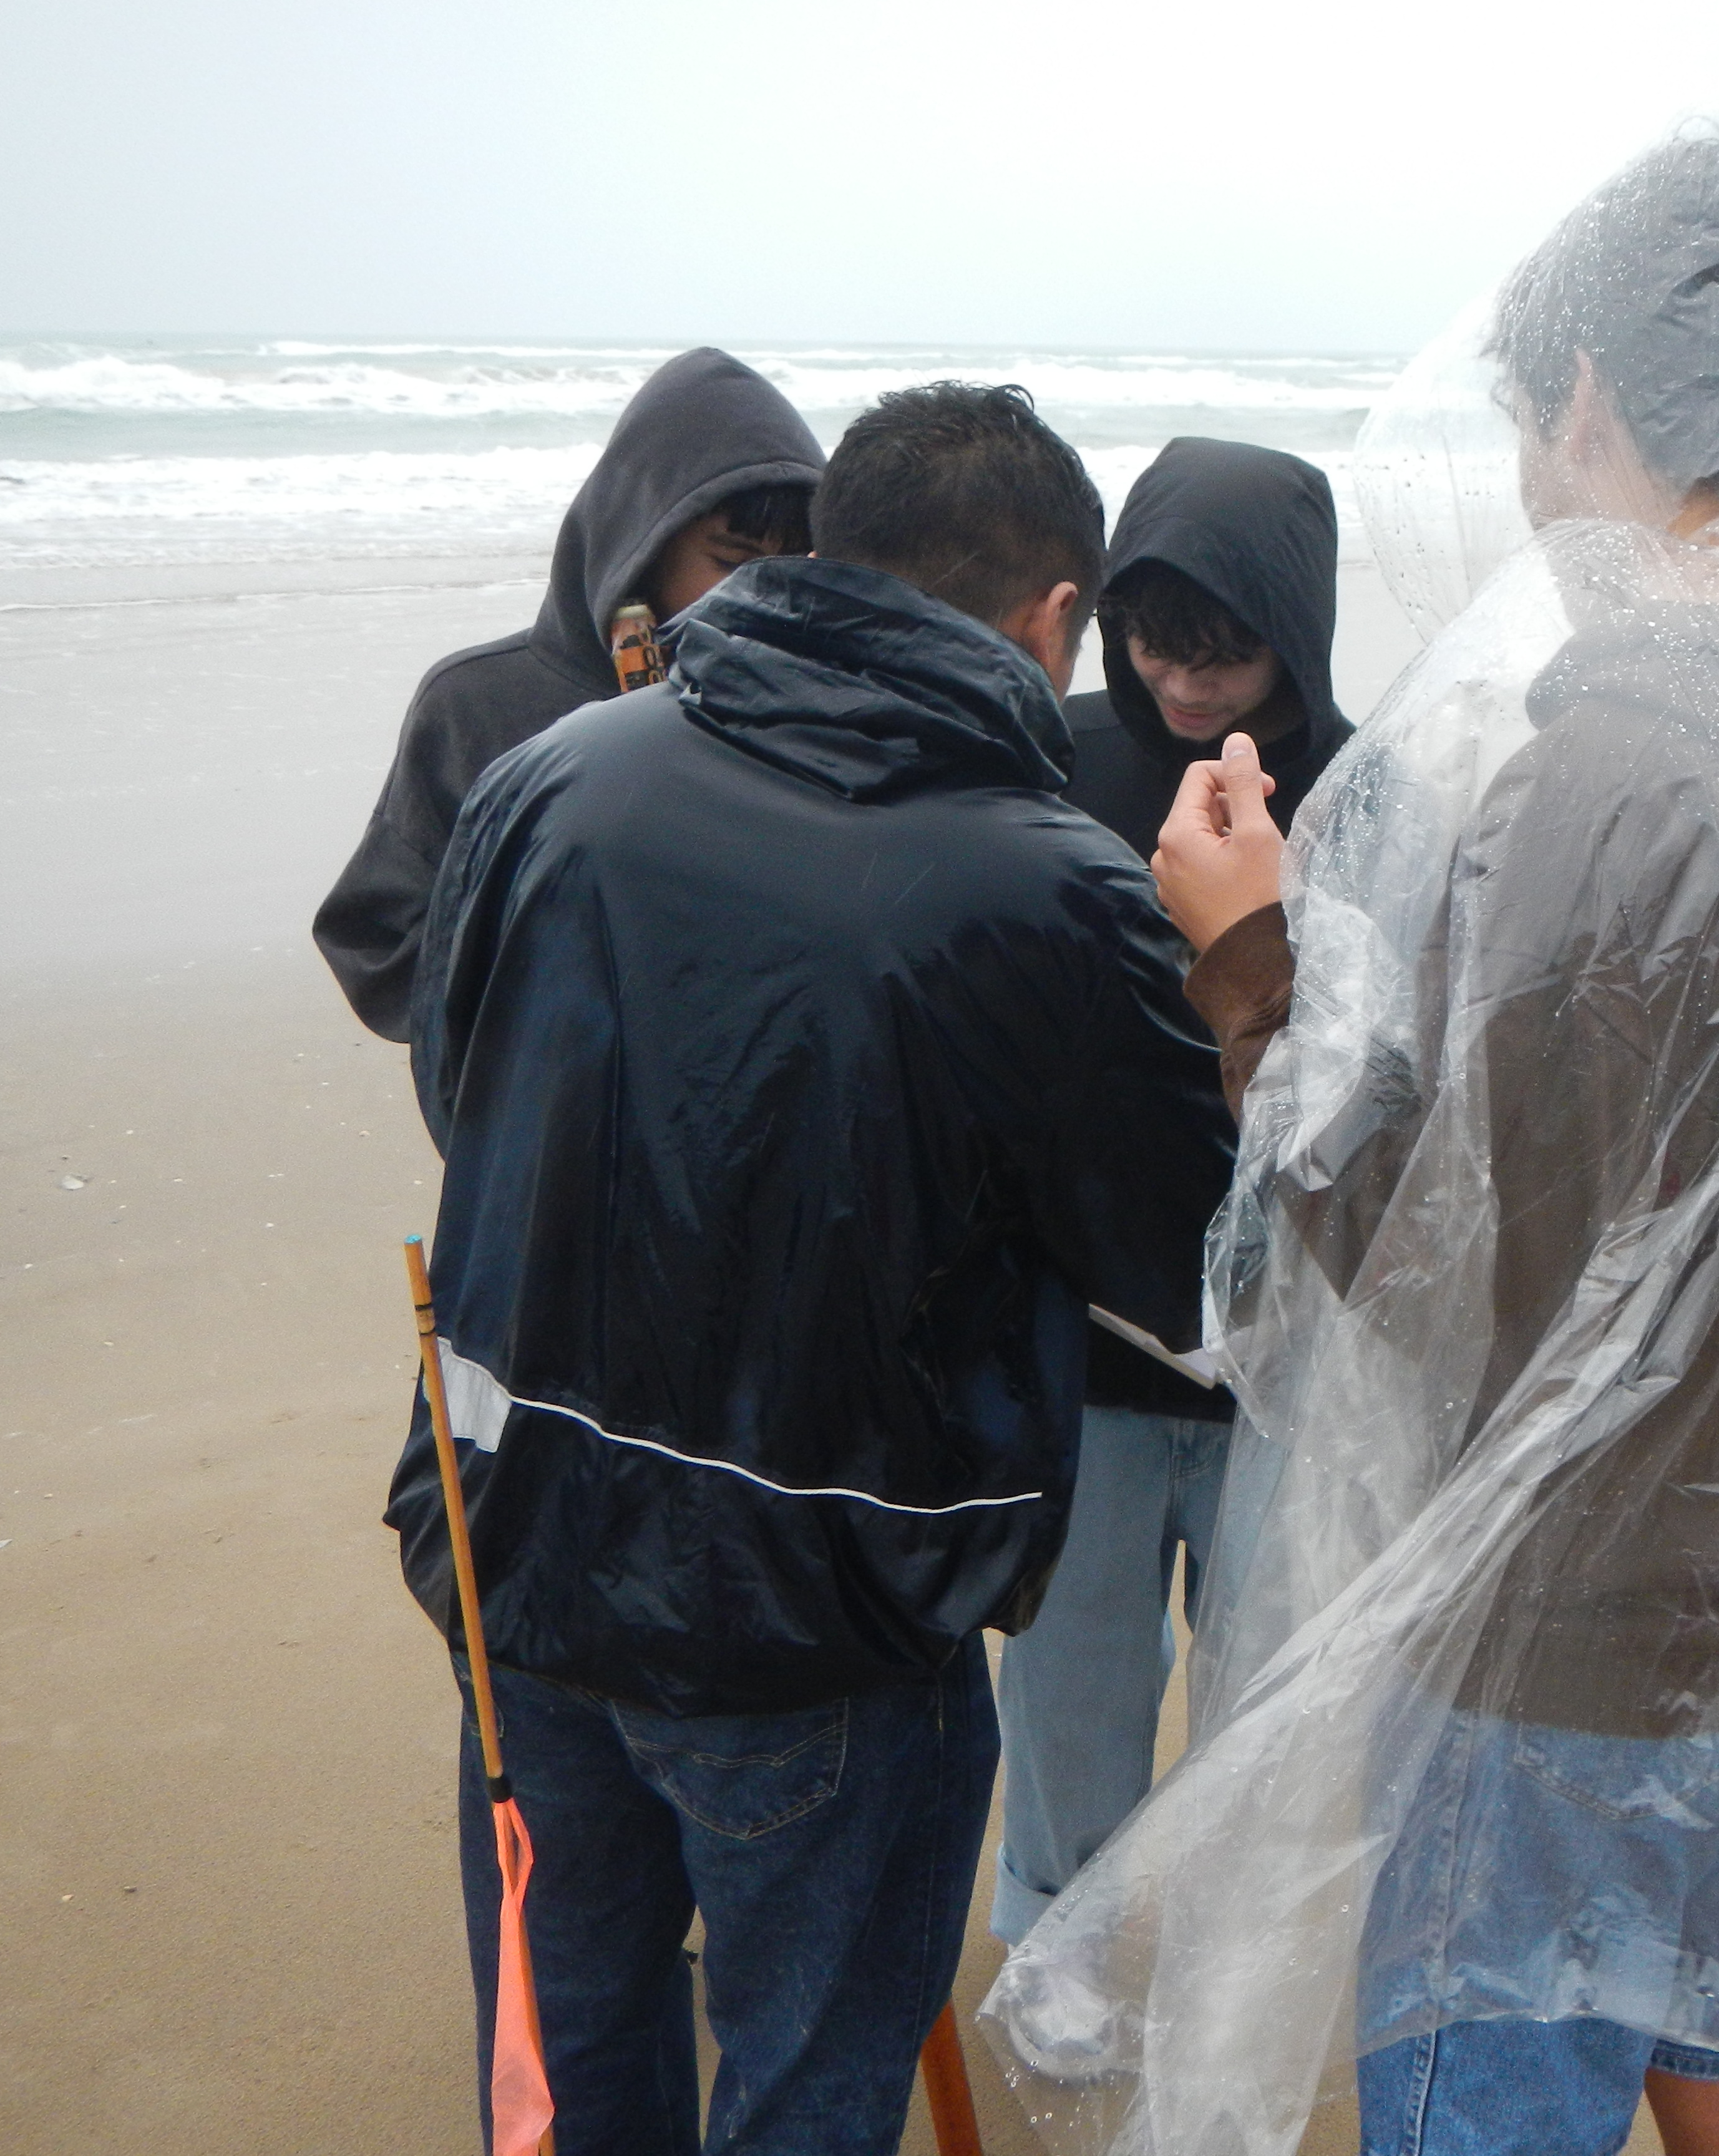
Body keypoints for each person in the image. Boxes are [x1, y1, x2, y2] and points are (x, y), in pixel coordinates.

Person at [985, 128, 1719, 2156]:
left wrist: (1248, 962)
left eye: (1532, 426)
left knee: (1498, 2076)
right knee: (1714, 2031)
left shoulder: (1609, 754)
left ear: (1592, 404)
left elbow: (1447, 1266)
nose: (1522, 483)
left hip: (1567, 1633)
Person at [387, 381, 1235, 2155]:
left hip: (522, 1552)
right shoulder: (1054, 889)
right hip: (817, 1627)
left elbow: (463, 1096)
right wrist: (1236, 969)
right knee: (795, 2092)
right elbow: (1202, 1266)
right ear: (1052, 622)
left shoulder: (554, 775)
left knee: (581, 2060)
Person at [991, 435, 1355, 1946]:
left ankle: (1233, 1944)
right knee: (1076, 1657)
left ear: (1302, 632)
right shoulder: (1047, 752)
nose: (1190, 689)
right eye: (1156, 647)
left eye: (1232, 654)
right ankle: (1055, 1916)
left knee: (1268, 1665)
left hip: (1290, 1322)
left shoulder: (1368, 787)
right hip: (1084, 1319)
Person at [314, 346, 822, 1039]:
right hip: (543, 1126)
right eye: (731, 560)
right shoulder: (478, 704)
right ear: (641, 540)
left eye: (793, 564)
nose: (763, 590)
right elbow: (375, 941)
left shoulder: (823, 704)